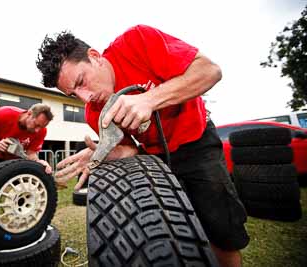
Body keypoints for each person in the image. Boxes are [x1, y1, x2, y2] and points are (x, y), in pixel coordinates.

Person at [37, 24, 249, 267]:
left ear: (95, 57)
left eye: (82, 82)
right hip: (155, 160)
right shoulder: (94, 114)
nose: (86, 98)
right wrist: (108, 152)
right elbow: (131, 150)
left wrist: (149, 99)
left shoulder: (136, 42)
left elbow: (210, 71)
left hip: (197, 144)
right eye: (74, 94)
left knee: (221, 233)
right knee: (168, 234)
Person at [0, 103, 53, 175]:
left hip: (12, 159)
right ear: (29, 113)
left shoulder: (42, 131)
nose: (37, 130)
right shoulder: (3, 114)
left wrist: (38, 163)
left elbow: (31, 153)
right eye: (36, 125)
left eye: (41, 127)